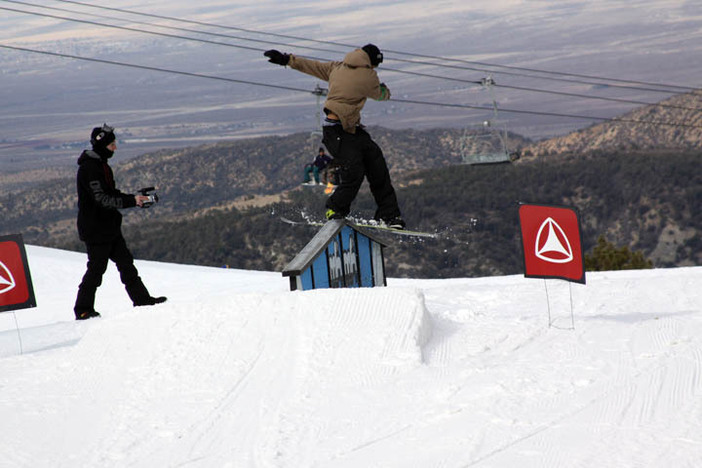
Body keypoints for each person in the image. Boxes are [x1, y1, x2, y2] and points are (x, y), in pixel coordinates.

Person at [264, 43, 405, 229]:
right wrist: (385, 90)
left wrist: (286, 59)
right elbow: (380, 95)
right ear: (372, 61)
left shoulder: (337, 67)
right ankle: (339, 208)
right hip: (339, 132)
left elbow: (312, 66)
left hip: (347, 130)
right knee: (363, 170)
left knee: (373, 161)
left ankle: (388, 215)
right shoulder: (368, 75)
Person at [73, 124, 166, 320]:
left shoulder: (101, 165)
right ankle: (82, 309)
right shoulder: (90, 168)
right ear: (102, 145)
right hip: (96, 229)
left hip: (109, 226)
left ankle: (142, 300)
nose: (115, 148)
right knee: (96, 270)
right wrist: (132, 201)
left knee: (126, 265)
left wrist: (135, 199)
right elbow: (102, 199)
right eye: (112, 144)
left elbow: (111, 194)